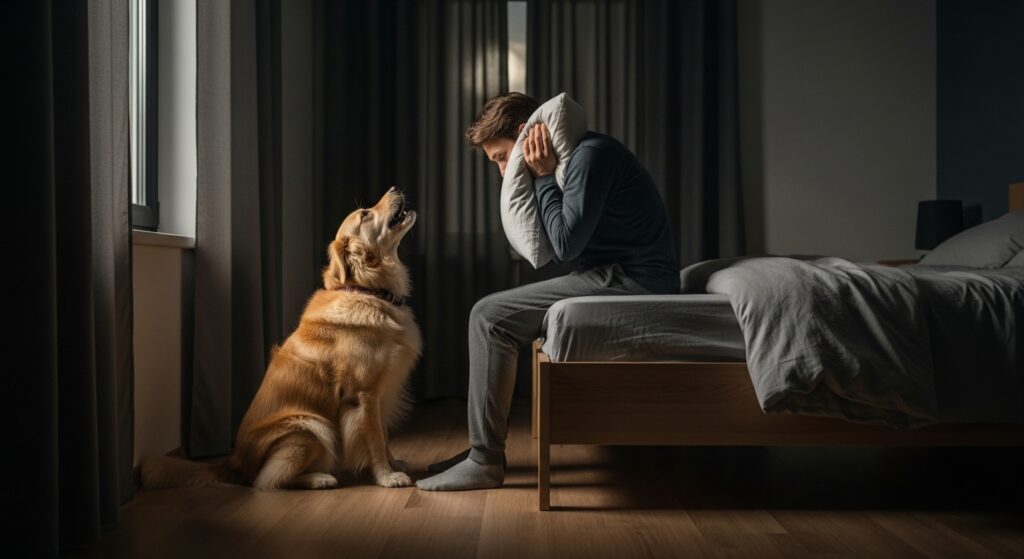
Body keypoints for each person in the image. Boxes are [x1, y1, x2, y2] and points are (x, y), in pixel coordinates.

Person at [415, 92, 679, 491]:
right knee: (490, 313)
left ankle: (484, 461)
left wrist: (541, 177)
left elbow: (565, 247)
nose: (503, 172)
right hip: (612, 274)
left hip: (634, 280)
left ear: (526, 136)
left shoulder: (590, 157)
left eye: (502, 157)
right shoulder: (580, 156)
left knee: (488, 317)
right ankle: (480, 451)